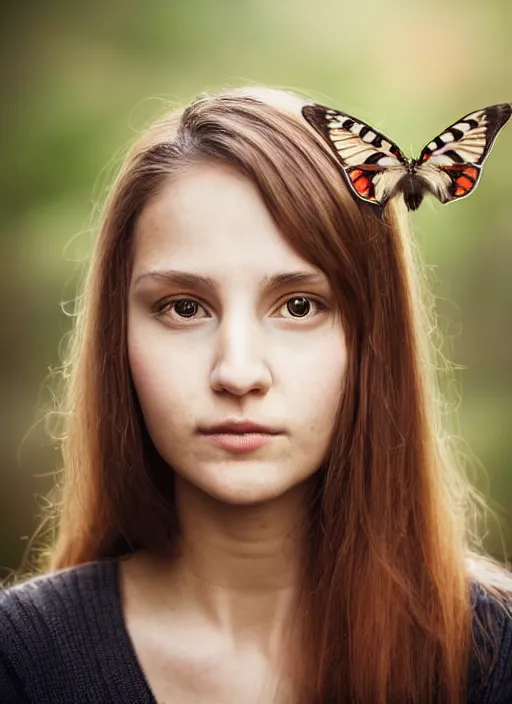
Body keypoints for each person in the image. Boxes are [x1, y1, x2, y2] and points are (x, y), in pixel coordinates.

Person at [1, 86, 511, 704]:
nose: (238, 372)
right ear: (119, 336)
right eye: (183, 307)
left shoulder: (489, 657)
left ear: (375, 340)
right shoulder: (25, 661)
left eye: (299, 306)